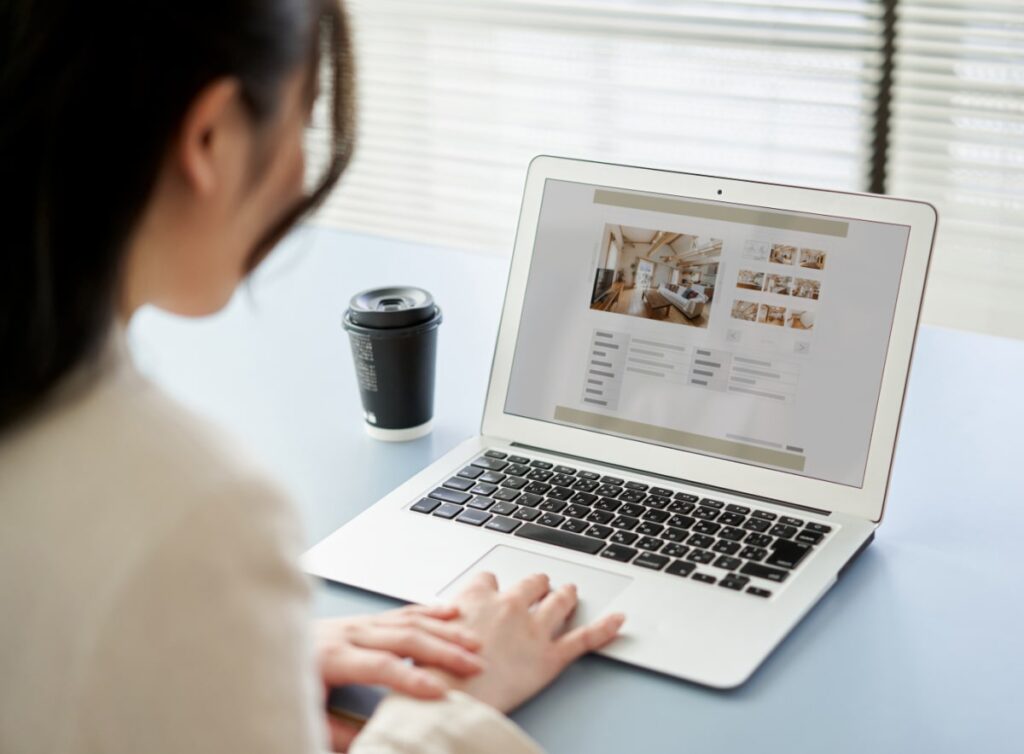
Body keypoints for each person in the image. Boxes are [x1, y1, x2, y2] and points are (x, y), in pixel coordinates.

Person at [0, 1, 625, 752]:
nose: (302, 163)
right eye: (306, 115)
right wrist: (450, 703)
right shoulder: (196, 512)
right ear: (210, 137)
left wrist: (227, 661)